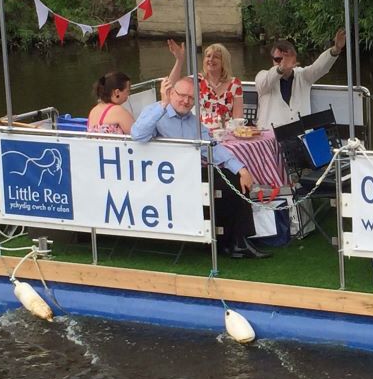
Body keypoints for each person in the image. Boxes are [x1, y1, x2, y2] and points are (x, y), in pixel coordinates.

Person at [131, 77, 269, 259]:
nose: (186, 101)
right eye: (182, 96)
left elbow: (212, 146)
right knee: (224, 186)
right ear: (171, 93)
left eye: (191, 98)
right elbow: (138, 135)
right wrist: (163, 104)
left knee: (234, 178)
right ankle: (231, 240)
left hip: (190, 173)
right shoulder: (155, 112)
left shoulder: (193, 121)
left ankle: (235, 240)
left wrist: (241, 169)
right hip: (164, 178)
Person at [255, 28, 346, 130]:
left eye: (286, 59)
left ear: (294, 60)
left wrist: (336, 49)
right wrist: (281, 69)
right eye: (278, 60)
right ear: (272, 60)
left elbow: (320, 67)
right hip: (270, 139)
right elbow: (265, 82)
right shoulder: (262, 76)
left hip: (301, 138)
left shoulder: (303, 76)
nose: (282, 63)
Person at [166, 40, 243, 130]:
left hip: (225, 132)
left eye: (216, 57)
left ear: (224, 62)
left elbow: (238, 118)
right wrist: (179, 60)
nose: (210, 59)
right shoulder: (197, 79)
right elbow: (171, 86)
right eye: (208, 56)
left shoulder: (235, 84)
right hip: (199, 132)